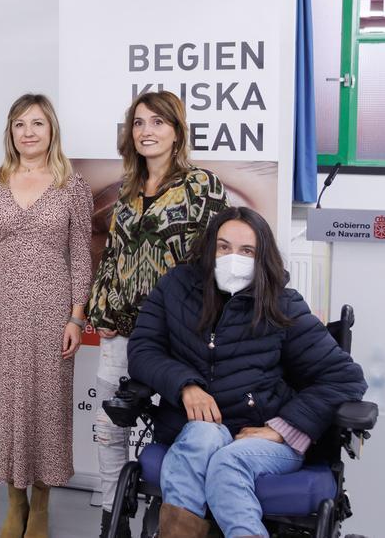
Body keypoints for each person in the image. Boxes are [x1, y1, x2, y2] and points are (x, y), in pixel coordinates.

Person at [128, 207, 367, 538]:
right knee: (204, 435)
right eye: (223, 247)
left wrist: (284, 430)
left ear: (261, 256)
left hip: (258, 434)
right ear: (210, 247)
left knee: (228, 463)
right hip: (193, 427)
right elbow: (143, 350)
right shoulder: (176, 288)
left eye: (246, 250)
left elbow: (345, 378)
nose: (232, 258)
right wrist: (185, 386)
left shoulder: (281, 304)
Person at [86, 91, 229, 538]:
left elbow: (215, 263)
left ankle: (174, 516)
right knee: (109, 426)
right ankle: (113, 517)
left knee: (173, 427)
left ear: (177, 131)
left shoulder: (202, 186)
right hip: (122, 330)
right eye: (140, 123)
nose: (147, 131)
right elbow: (112, 256)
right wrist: (99, 308)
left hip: (175, 334)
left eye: (158, 123)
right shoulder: (127, 190)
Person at [0, 94, 93, 538]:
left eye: (37, 123)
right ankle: (13, 501)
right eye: (20, 124)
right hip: (0, 310)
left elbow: (80, 254)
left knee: (46, 405)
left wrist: (76, 318)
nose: (28, 132)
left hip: (52, 312)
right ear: (10, 132)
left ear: (51, 129)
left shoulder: (71, 185)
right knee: (6, 404)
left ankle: (41, 502)